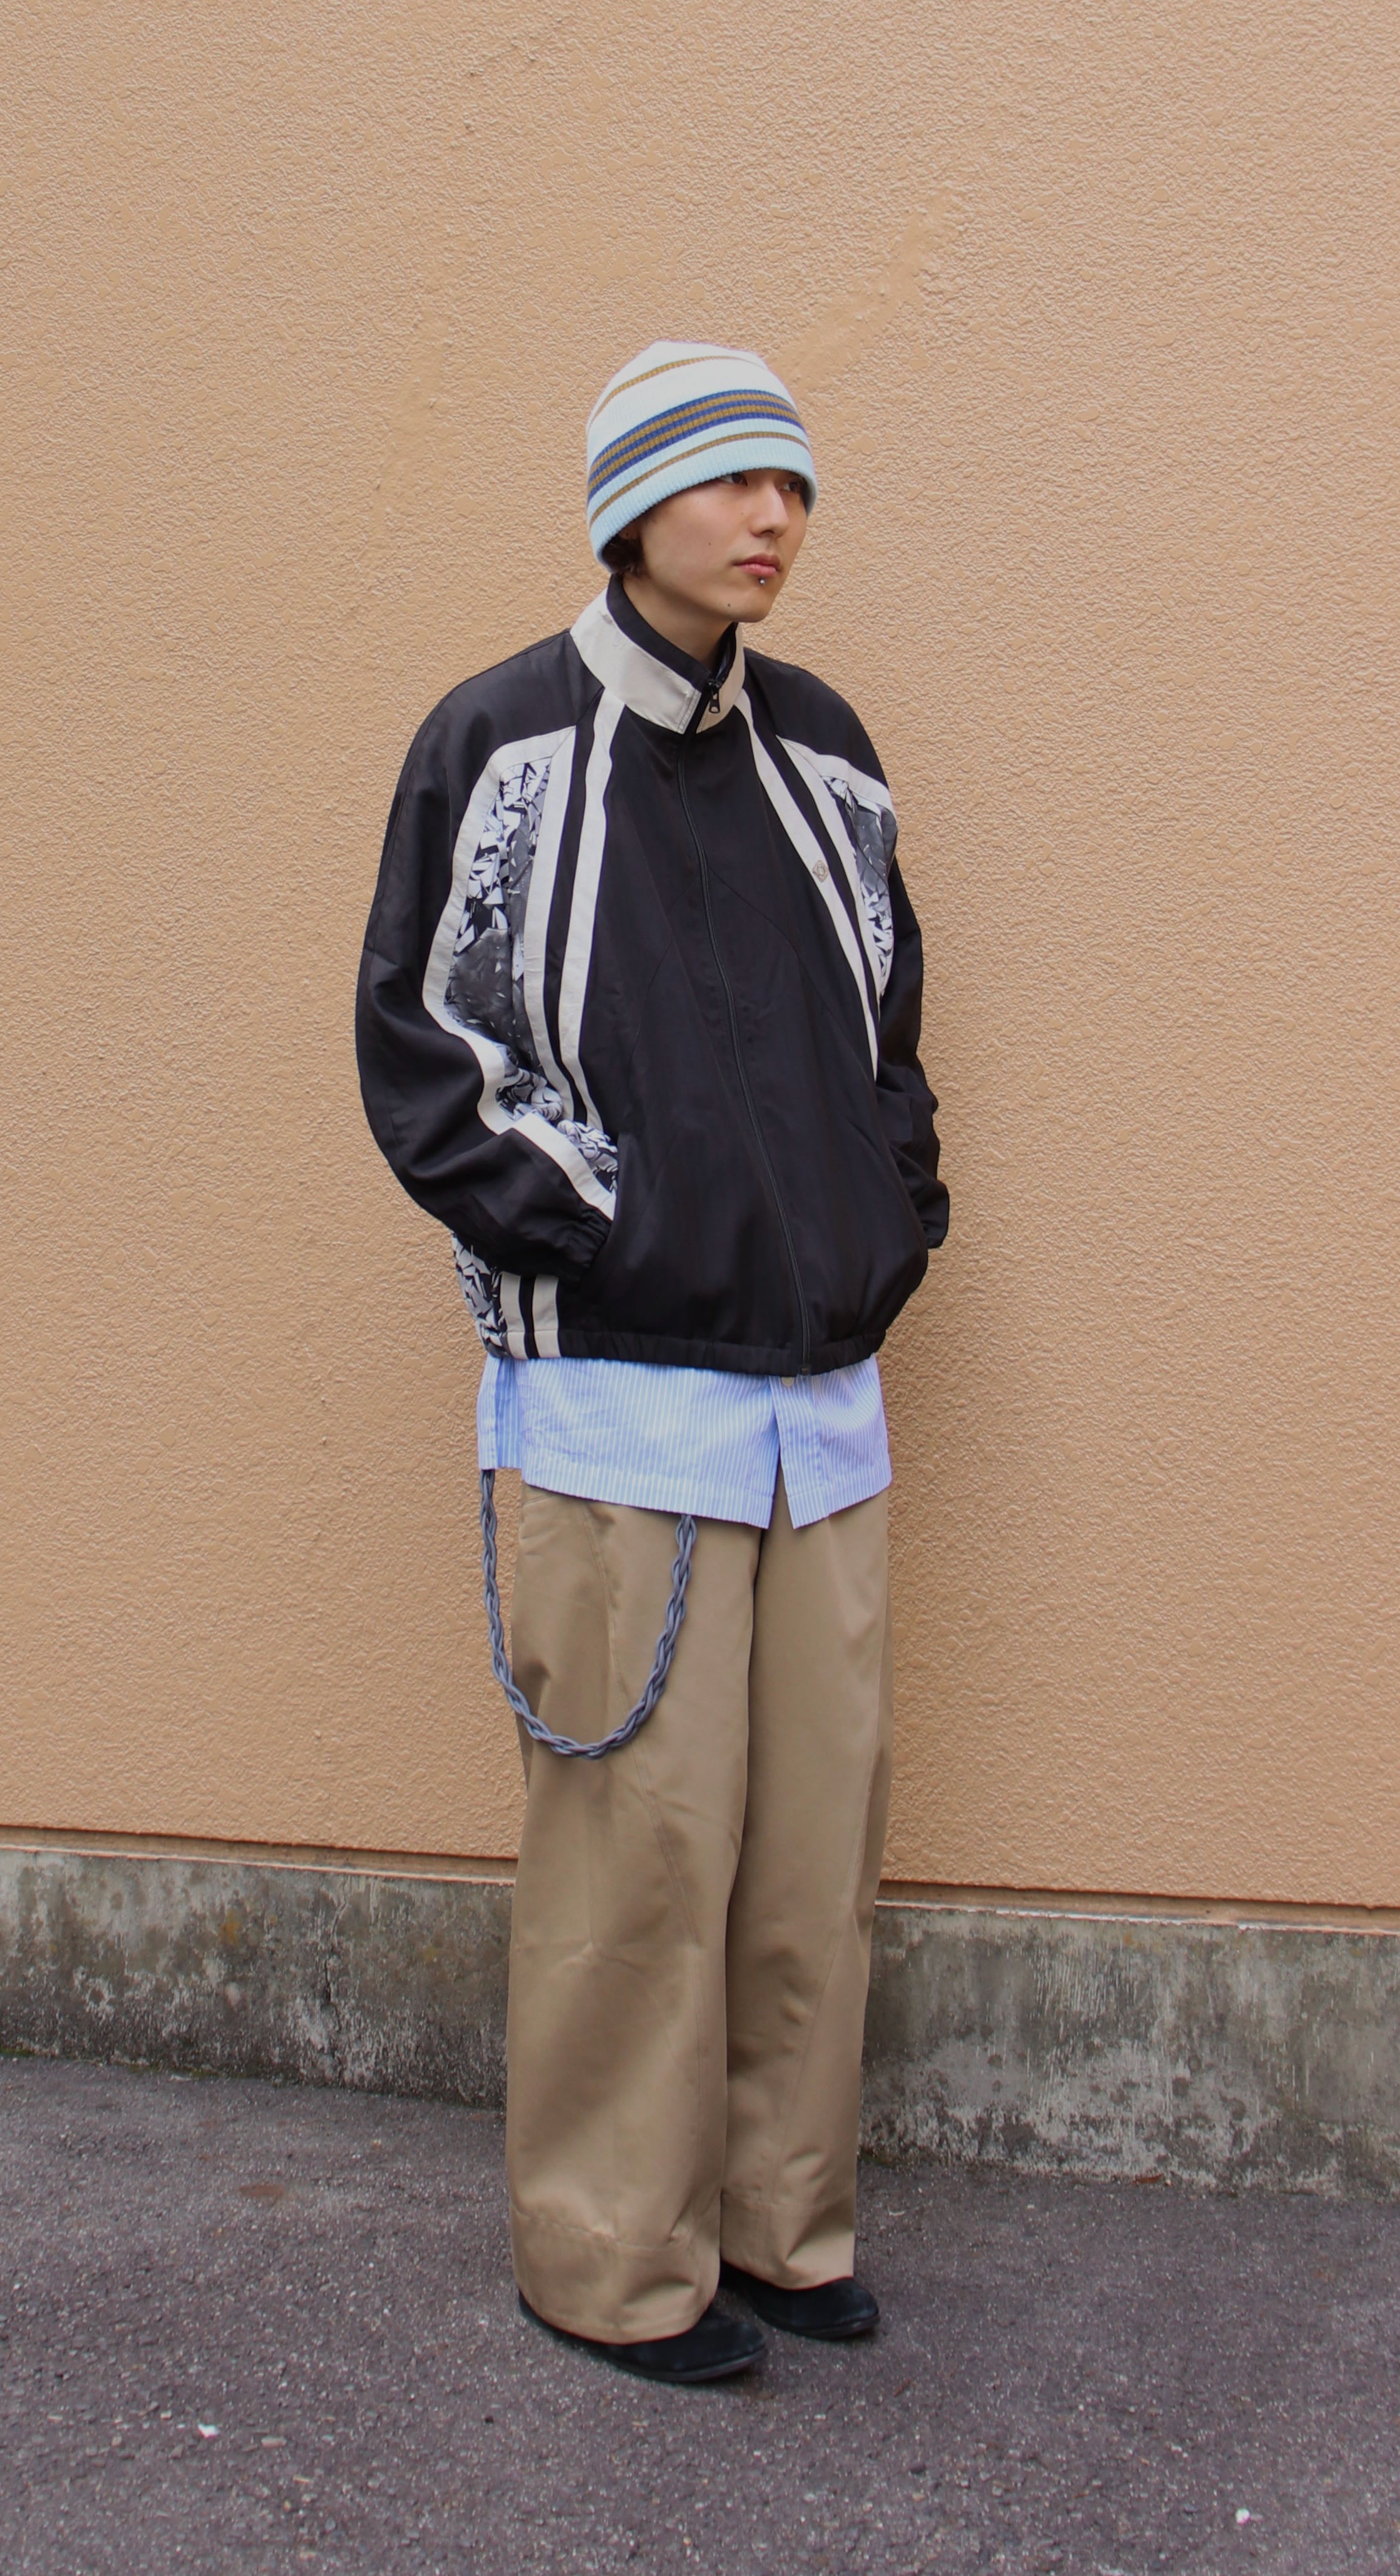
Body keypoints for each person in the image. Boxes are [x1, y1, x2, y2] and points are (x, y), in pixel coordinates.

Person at [355, 341, 947, 2384]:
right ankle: (614, 2262)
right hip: (625, 1412)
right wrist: (619, 1233)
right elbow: (430, 1059)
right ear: (630, 509)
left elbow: (888, 1034)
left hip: (824, 1413)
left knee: (812, 1857)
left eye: (795, 483)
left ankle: (786, 2222)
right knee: (639, 1863)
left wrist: (892, 1220)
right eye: (731, 480)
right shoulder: (504, 746)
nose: (775, 516)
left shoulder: (830, 753)